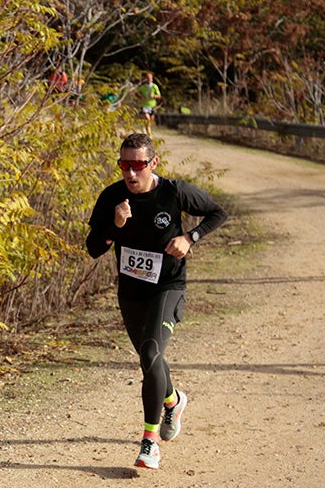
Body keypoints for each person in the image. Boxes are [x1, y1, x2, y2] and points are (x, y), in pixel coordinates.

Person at [85, 133, 227, 469]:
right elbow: (93, 248)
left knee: (150, 352)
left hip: (168, 285)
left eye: (138, 165)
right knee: (150, 357)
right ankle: (174, 400)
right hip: (131, 289)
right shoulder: (112, 196)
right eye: (124, 165)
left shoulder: (174, 192)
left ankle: (149, 442)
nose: (131, 173)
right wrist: (115, 226)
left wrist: (190, 237)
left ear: (153, 164)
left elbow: (217, 213)